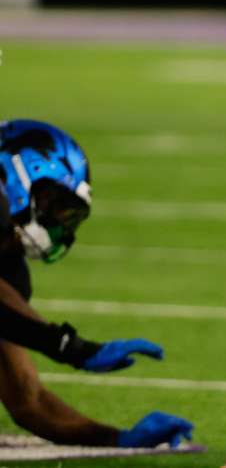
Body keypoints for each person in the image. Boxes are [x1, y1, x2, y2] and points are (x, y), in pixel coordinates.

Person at [0, 120, 194, 449]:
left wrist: (118, 438)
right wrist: (73, 348)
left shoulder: (11, 270)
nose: (58, 221)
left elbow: (27, 399)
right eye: (52, 203)